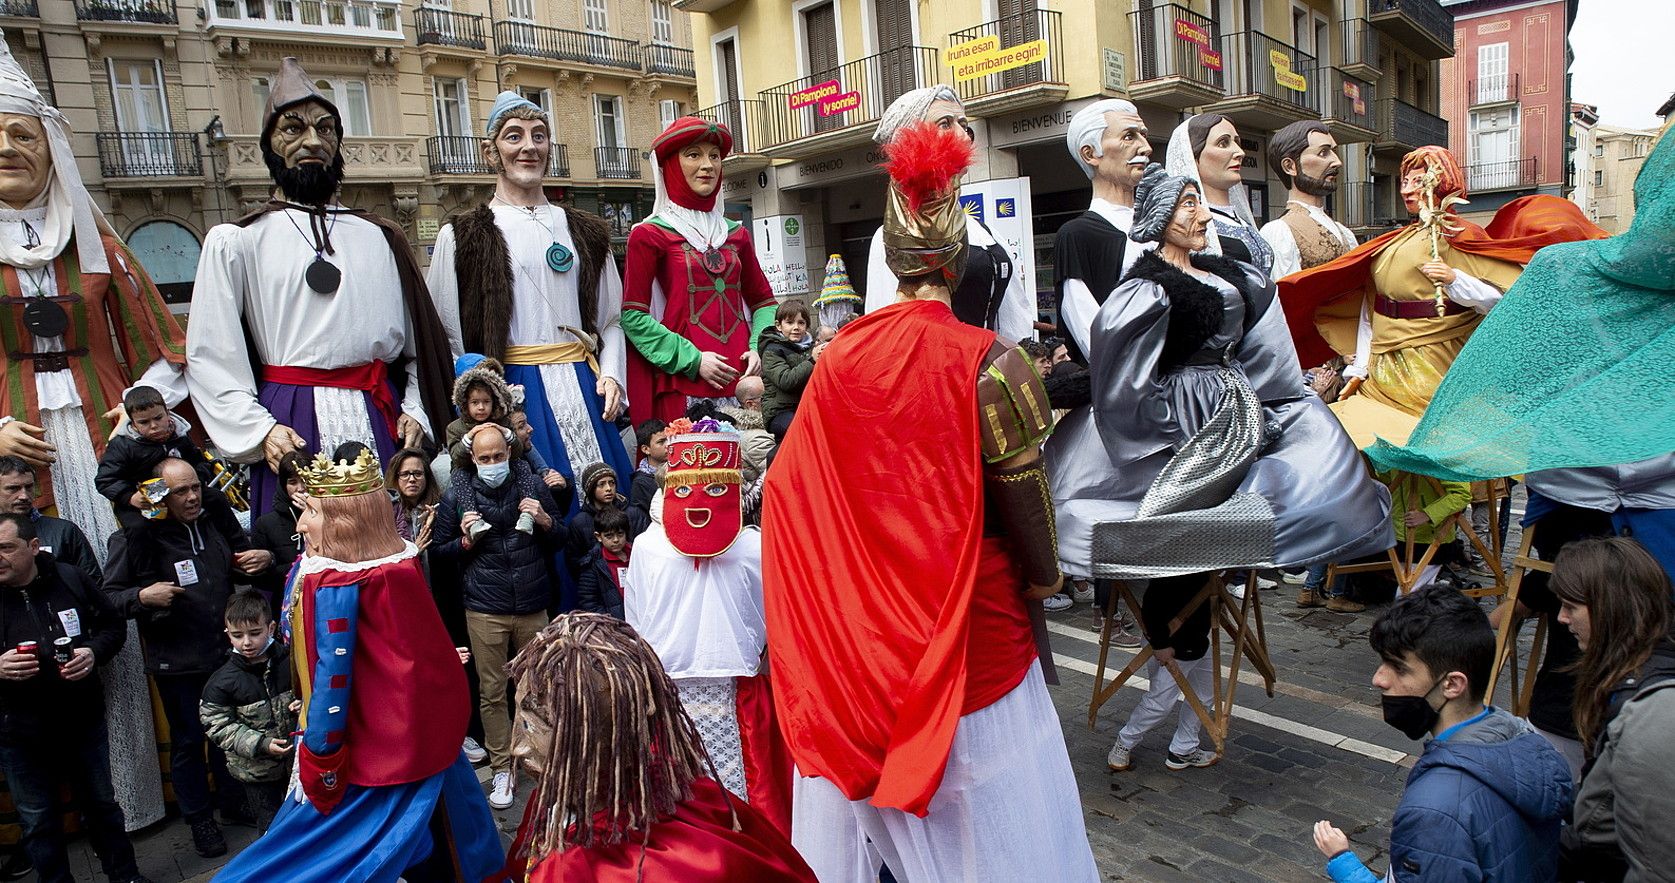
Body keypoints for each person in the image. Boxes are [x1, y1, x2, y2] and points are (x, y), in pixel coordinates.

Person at [764, 118, 1097, 880]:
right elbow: (1025, 497)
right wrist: (1045, 578)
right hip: (971, 630)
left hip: (857, 639)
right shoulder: (993, 361)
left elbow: (796, 488)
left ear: (887, 255)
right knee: (991, 811)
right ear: (959, 261)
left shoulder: (837, 358)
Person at [0, 42, 178, 832]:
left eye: (22, 134)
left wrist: (133, 404)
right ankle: (49, 816)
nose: (6, 148)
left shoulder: (99, 243)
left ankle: (141, 796)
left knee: (116, 609)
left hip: (104, 460)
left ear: (50, 146)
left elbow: (162, 351)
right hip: (15, 470)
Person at [213, 449, 503, 882]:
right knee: (455, 838)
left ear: (340, 520)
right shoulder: (399, 566)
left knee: (320, 855)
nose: (301, 523)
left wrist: (321, 753)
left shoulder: (334, 582)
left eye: (311, 510)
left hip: (369, 756)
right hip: (425, 738)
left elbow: (333, 676)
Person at [185, 56, 453, 519]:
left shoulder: (381, 236)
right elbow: (211, 357)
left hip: (378, 415)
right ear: (269, 144)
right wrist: (261, 432)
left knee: (390, 541)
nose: (313, 141)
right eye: (292, 129)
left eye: (326, 129)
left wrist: (415, 409)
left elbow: (419, 349)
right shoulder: (237, 241)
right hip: (292, 424)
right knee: (310, 557)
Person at [1280, 146, 1604, 429]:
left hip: (1436, 356)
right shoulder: (1394, 241)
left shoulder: (1459, 235)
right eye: (1404, 181)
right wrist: (1360, 366)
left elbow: (1505, 297)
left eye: (1418, 181)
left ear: (1440, 183)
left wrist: (1454, 280)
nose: (1407, 189)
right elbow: (1370, 306)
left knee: (1432, 440)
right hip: (1384, 361)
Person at [497, 614, 816, 881]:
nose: (517, 748)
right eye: (518, 718)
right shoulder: (552, 798)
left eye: (532, 726)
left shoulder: (686, 858)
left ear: (606, 735)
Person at [428, 92, 630, 503]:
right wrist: (478, 404)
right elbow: (447, 334)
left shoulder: (587, 231)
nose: (528, 147)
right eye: (514, 136)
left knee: (607, 497)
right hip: (513, 390)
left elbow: (611, 318)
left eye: (539, 136)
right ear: (491, 152)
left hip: (582, 382)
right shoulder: (461, 234)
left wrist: (610, 374)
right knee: (539, 496)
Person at [1312, 585, 1571, 883]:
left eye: (1398, 667)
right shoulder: (1532, 744)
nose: (1378, 679)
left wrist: (1344, 863)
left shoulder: (1434, 809)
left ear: (1452, 684)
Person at [624, 424, 791, 832]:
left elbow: (637, 623)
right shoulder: (754, 545)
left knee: (706, 806)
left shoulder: (750, 547)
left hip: (722, 686)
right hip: (690, 688)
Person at [103, 458, 273, 856]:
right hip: (176, 661)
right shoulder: (135, 536)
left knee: (228, 735)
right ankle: (199, 822)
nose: (193, 496)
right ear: (160, 495)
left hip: (222, 655)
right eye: (180, 491)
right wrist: (142, 597)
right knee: (188, 742)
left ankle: (232, 806)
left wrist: (258, 560)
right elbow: (108, 597)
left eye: (195, 487)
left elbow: (243, 567)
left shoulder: (213, 521)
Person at [1044, 99, 1155, 643]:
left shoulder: (1168, 221)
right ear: (1091, 153)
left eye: (1145, 135)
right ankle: (1119, 606)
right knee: (1118, 506)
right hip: (1117, 399)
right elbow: (1084, 319)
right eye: (1128, 136)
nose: (1143, 145)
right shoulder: (1078, 235)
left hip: (1169, 396)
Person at [0, 513, 152, 883]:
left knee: (102, 806)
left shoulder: (70, 578)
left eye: (5, 548)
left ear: (34, 548)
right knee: (37, 820)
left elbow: (112, 625)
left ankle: (126, 877)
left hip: (80, 720)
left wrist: (93, 653)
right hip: (17, 731)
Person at [431, 423, 561, 811]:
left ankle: (549, 765)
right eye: (484, 459)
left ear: (510, 454)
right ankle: (502, 767)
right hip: (485, 608)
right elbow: (438, 553)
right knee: (491, 693)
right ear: (472, 459)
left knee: (540, 689)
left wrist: (545, 520)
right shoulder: (456, 495)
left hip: (533, 603)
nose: (492, 464)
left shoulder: (533, 486)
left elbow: (564, 539)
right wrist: (466, 541)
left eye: (498, 457)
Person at [622, 116, 778, 424]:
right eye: (694, 154)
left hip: (745, 383)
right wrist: (693, 360)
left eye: (714, 156)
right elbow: (633, 316)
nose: (707, 165)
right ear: (670, 165)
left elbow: (764, 302)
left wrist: (758, 347)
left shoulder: (736, 234)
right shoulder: (650, 233)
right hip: (685, 383)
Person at [862, 85, 1034, 342]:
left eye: (965, 126)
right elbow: (888, 329)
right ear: (909, 140)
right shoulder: (892, 237)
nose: (963, 137)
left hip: (990, 371)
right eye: (945, 123)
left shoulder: (986, 233)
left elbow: (1014, 319)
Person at [1548, 538, 1675, 882]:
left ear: (1611, 607)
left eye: (1570, 606)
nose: (1561, 618)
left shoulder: (1643, 706)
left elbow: (1606, 838)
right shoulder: (1640, 670)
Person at [199, 590, 295, 830]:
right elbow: (217, 725)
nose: (247, 642)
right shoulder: (222, 681)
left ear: (271, 629)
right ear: (227, 634)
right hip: (256, 772)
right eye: (237, 635)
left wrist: (302, 703)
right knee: (271, 827)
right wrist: (260, 744)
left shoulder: (290, 662)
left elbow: (310, 691)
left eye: (255, 633)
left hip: (295, 765)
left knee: (301, 823)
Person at [1164, 113, 1274, 279]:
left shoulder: (1241, 220)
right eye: (1223, 143)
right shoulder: (1186, 223)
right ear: (1193, 157)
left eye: (1237, 142)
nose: (1240, 152)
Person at [95, 385, 217, 529]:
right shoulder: (123, 446)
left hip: (183, 495)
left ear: (167, 413)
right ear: (133, 424)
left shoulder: (180, 436)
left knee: (217, 499)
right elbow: (105, 480)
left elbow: (200, 463)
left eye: (158, 418)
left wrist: (197, 483)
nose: (154, 426)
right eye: (144, 422)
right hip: (141, 501)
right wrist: (130, 497)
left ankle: (241, 548)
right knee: (138, 528)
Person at [1260, 120, 1357, 281]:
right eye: (1323, 153)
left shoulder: (1342, 230)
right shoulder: (1279, 231)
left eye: (1333, 151)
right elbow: (1286, 297)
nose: (1337, 162)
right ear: (1289, 166)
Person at [0, 457, 101, 583]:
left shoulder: (64, 531)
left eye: (29, 487)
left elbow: (92, 584)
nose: (24, 496)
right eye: (13, 488)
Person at [248, 450, 310, 606]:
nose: (301, 488)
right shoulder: (266, 524)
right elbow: (260, 579)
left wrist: (313, 514)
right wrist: (298, 568)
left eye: (305, 480)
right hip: (285, 604)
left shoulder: (329, 516)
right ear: (283, 485)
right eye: (293, 482)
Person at [759, 298, 821, 441]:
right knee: (799, 433)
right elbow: (786, 380)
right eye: (790, 322)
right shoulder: (771, 351)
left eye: (801, 323)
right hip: (780, 411)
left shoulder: (810, 349)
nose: (796, 327)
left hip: (805, 408)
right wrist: (812, 361)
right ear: (778, 326)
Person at [566, 461, 646, 570]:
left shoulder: (633, 514)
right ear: (590, 489)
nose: (608, 488)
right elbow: (575, 562)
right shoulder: (580, 522)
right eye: (601, 484)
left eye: (612, 483)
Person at [576, 506, 630, 620]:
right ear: (598, 536)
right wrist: (610, 623)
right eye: (609, 536)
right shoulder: (592, 564)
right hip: (614, 625)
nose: (616, 540)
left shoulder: (635, 554)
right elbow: (589, 602)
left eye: (620, 534)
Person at [627, 418, 667, 528]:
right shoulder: (641, 483)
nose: (667, 445)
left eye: (669, 440)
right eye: (661, 442)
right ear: (646, 449)